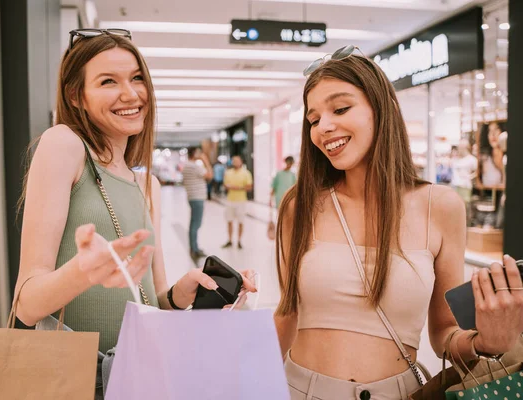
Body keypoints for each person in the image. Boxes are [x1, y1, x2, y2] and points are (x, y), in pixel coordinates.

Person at [12, 29, 256, 399]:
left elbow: (153, 302)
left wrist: (182, 293)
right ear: (76, 95)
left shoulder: (149, 186)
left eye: (137, 78)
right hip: (74, 379)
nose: (130, 94)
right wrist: (81, 272)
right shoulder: (64, 145)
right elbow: (25, 302)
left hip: (140, 376)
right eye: (108, 81)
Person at [274, 46, 523, 399]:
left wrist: (487, 341)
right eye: (313, 119)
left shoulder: (441, 206)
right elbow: (286, 315)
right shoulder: (299, 207)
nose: (323, 127)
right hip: (298, 389)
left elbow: (444, 334)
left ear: (383, 108)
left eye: (340, 108)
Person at [182, 146, 212, 260]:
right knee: (196, 224)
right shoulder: (194, 166)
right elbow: (210, 175)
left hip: (192, 197)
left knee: (194, 223)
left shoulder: (186, 165)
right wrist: (206, 161)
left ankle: (194, 247)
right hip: (197, 198)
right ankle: (194, 249)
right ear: (194, 154)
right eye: (198, 153)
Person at [222, 156, 253, 249]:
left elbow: (249, 187)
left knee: (240, 221)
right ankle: (230, 240)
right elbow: (225, 185)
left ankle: (239, 241)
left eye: (237, 161)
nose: (235, 162)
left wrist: (238, 188)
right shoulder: (228, 173)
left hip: (241, 201)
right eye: (234, 161)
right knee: (229, 221)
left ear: (241, 162)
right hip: (230, 200)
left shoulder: (246, 173)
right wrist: (230, 187)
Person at [451, 139, 478, 225]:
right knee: (455, 208)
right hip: (455, 186)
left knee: (464, 208)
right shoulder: (456, 159)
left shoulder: (472, 159)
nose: (459, 149)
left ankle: (465, 226)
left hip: (465, 186)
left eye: (461, 147)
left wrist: (469, 177)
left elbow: (477, 172)